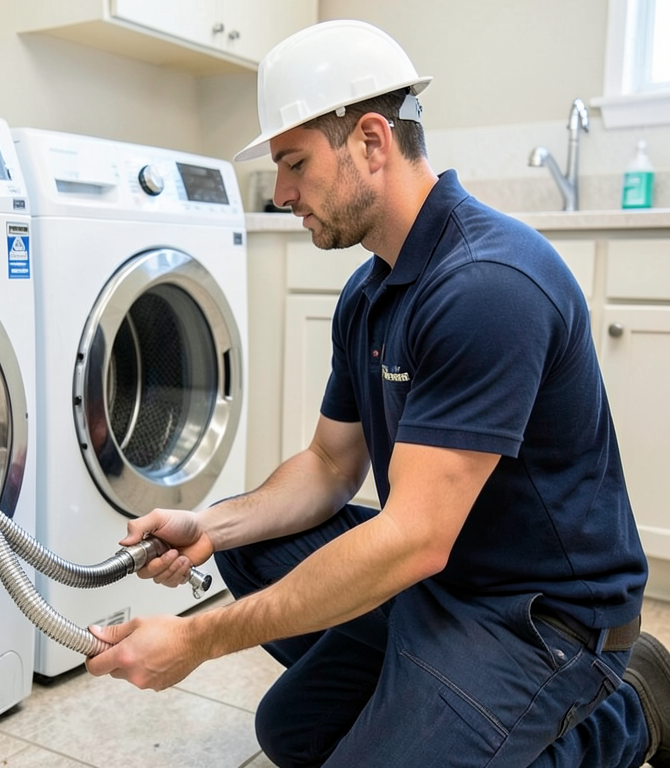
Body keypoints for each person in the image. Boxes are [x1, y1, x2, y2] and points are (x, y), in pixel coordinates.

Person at [84, 18, 670, 768]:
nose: (282, 193)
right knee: (292, 730)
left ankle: (631, 708)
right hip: (445, 576)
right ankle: (427, 698)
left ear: (370, 140)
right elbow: (331, 465)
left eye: (294, 163)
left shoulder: (487, 285)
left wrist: (197, 639)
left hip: (542, 617)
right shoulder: (370, 292)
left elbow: (414, 537)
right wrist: (207, 524)